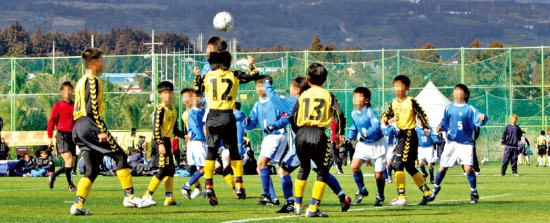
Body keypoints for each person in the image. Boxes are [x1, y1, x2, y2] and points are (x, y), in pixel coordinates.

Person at [265, 75, 351, 214]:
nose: (289, 92)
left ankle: (292, 202)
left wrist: (267, 84)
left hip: (301, 142)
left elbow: (276, 101)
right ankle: (340, 196)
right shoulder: (322, 96)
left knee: (286, 171)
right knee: (322, 172)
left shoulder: (297, 100)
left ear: (298, 90)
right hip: (317, 138)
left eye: (291, 89)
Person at [70, 48, 141, 215]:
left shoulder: (81, 81)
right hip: (90, 124)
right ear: (94, 62)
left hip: (79, 126)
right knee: (121, 156)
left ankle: (78, 206)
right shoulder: (92, 80)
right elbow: (92, 108)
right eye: (102, 60)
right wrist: (100, 130)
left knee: (92, 169)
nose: (104, 64)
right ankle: (129, 196)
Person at [194, 50, 259, 206]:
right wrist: (252, 65)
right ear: (227, 62)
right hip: (228, 116)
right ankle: (239, 185)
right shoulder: (234, 74)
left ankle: (209, 185)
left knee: (211, 151)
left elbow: (197, 91)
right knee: (234, 152)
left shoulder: (208, 76)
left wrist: (197, 76)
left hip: (213, 116)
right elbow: (254, 76)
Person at [289, 63, 346, 218]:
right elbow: (339, 114)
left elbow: (292, 116)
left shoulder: (303, 96)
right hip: (319, 134)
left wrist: (298, 132)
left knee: (304, 168)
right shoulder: (328, 95)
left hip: (302, 133)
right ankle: (313, 208)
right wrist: (340, 133)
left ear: (307, 79)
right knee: (322, 171)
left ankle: (297, 205)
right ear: (325, 80)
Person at [428, 84, 488, 204]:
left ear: (465, 94)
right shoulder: (449, 108)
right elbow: (445, 122)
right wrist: (440, 127)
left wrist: (482, 117)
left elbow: (480, 116)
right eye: (455, 92)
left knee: (468, 168)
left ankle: (473, 191)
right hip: (451, 143)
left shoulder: (470, 109)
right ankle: (435, 189)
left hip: (466, 143)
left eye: (459, 92)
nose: (457, 94)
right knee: (443, 167)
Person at [381, 75, 432, 206]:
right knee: (409, 166)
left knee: (397, 164)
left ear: (407, 88)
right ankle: (427, 192)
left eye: (400, 86)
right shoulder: (393, 102)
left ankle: (401, 197)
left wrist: (426, 126)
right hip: (401, 136)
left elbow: (422, 113)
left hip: (409, 135)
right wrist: (388, 120)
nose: (397, 89)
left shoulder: (411, 101)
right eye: (395, 86)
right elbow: (385, 116)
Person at [139, 81, 187, 208]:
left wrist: (185, 136)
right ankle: (147, 196)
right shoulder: (160, 109)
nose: (168, 95)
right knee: (163, 170)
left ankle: (169, 198)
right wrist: (160, 144)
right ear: (160, 95)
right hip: (159, 141)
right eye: (165, 93)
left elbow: (174, 129)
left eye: (170, 92)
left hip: (167, 141)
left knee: (170, 170)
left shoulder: (173, 110)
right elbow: (156, 128)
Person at [245, 76, 289, 206]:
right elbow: (252, 124)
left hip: (276, 136)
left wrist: (275, 125)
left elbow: (286, 117)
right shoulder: (257, 105)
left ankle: (266, 194)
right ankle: (273, 198)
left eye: (262, 86)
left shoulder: (276, 101)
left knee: (261, 164)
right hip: (270, 137)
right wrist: (247, 123)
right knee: (262, 168)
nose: (260, 89)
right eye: (258, 86)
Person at [344, 87, 386, 207]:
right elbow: (354, 127)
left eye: (359, 97)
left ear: (366, 100)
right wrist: (349, 138)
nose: (356, 100)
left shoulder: (370, 112)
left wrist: (366, 134)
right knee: (354, 167)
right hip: (364, 144)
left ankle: (380, 195)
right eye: (354, 97)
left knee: (378, 175)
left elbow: (376, 126)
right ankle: (362, 190)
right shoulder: (353, 113)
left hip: (378, 144)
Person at [47, 81, 77, 191]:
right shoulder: (58, 106)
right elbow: (51, 122)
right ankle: (71, 185)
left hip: (72, 136)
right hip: (62, 135)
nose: (68, 92)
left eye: (70, 90)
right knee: (68, 160)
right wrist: (49, 137)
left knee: (70, 162)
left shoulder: (76, 105)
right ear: (61, 92)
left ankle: (53, 175)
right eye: (65, 90)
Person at [181, 90, 208, 200]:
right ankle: (187, 186)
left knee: (204, 168)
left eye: (200, 97)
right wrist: (206, 138)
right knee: (205, 168)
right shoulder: (192, 113)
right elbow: (196, 129)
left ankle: (205, 189)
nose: (199, 99)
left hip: (199, 142)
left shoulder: (203, 110)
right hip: (198, 142)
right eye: (196, 97)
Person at [416, 119, 440, 184]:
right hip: (421, 147)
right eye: (419, 120)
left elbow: (434, 135)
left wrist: (429, 133)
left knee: (430, 164)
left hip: (429, 147)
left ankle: (432, 178)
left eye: (422, 120)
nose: (421, 121)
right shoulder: (416, 129)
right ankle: (425, 173)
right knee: (420, 163)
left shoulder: (428, 127)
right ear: (418, 121)